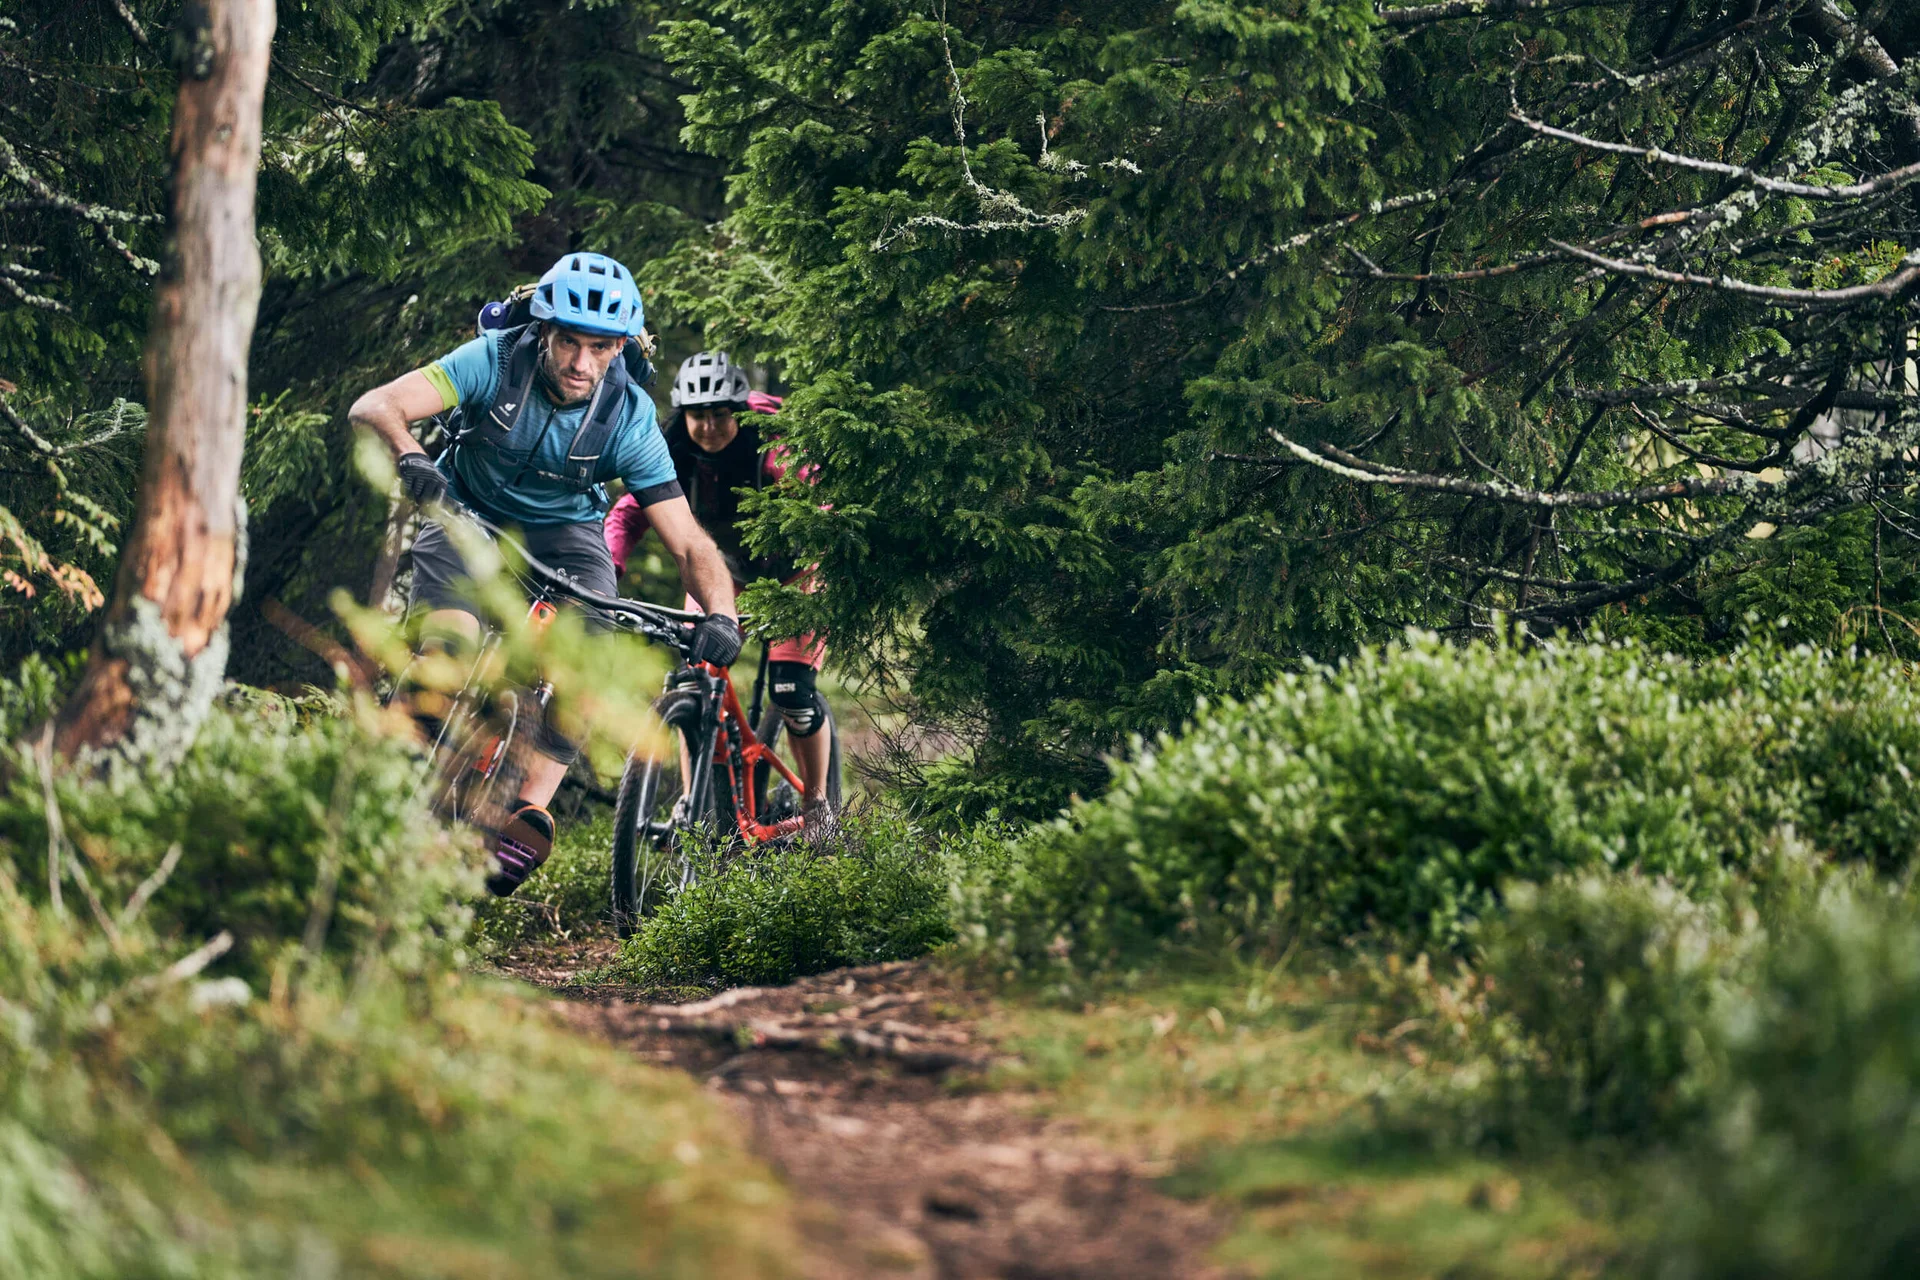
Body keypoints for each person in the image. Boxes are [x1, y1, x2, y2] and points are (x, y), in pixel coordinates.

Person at [349, 252, 744, 897]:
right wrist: (411, 455)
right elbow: (377, 404)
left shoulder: (627, 415)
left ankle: (526, 812)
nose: (580, 363)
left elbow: (689, 543)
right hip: (466, 513)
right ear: (543, 331)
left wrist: (721, 613)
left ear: (620, 348)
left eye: (600, 347)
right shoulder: (494, 360)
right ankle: (389, 785)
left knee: (585, 667)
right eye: (568, 342)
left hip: (568, 537)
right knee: (447, 646)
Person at [603, 350, 835, 830]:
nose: (708, 427)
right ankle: (693, 805)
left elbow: (818, 504)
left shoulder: (771, 450)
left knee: (792, 692)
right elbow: (628, 514)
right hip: (723, 577)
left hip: (796, 575)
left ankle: (818, 809)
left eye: (719, 415)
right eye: (697, 416)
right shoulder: (672, 455)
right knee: (696, 682)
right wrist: (609, 569)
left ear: (739, 412)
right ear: (683, 417)